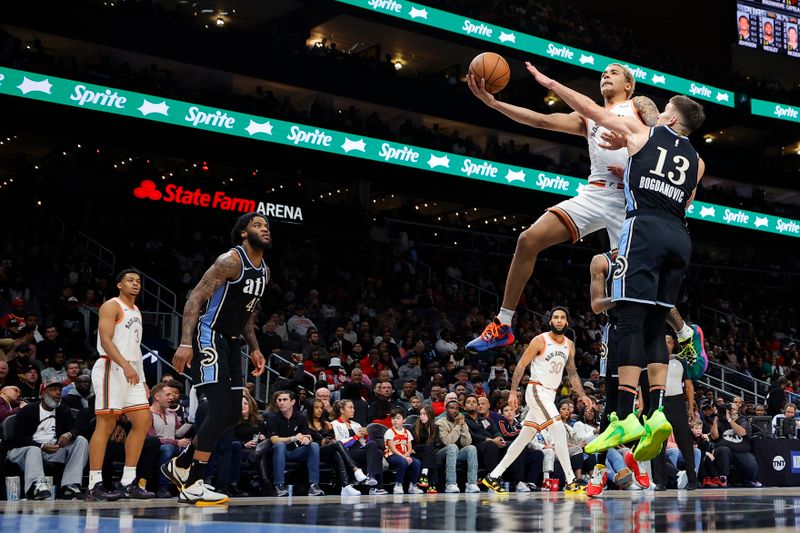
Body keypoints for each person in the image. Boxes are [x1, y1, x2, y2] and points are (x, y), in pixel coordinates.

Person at [529, 63, 707, 462]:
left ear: (671, 118)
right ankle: (657, 410)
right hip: (679, 236)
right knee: (656, 321)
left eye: (663, 112)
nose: (657, 114)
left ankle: (625, 416)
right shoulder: (696, 160)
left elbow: (591, 112)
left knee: (628, 318)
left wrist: (551, 83)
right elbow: (686, 198)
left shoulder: (644, 133)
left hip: (643, 229)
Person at [465, 63, 659, 351]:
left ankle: (680, 332)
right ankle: (503, 323)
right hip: (595, 193)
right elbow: (540, 120)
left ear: (629, 84)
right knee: (528, 240)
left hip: (630, 198)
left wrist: (636, 161)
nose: (606, 75)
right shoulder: (588, 115)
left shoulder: (638, 106)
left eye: (614, 72)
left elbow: (664, 143)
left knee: (639, 276)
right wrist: (493, 103)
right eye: (603, 72)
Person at [167, 213, 269, 505]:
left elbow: (247, 314)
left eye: (267, 226)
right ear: (243, 234)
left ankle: (183, 462)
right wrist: (186, 342)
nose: (265, 229)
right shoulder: (230, 260)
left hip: (234, 341)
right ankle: (193, 481)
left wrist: (256, 347)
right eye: (258, 225)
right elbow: (195, 298)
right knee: (221, 407)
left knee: (235, 413)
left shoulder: (264, 271)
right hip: (208, 334)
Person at [482, 307, 589, 493]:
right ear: (550, 321)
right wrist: (513, 392)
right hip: (536, 389)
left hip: (551, 394)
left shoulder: (569, 345)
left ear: (567, 322)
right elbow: (521, 365)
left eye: (562, 317)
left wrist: (583, 395)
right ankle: (571, 480)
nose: (558, 320)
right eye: (555, 317)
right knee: (558, 428)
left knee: (523, 438)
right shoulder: (540, 340)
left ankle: (493, 477)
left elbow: (572, 373)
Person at [87, 269, 154, 501]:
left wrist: (143, 380)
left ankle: (128, 481)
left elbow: (136, 349)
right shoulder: (111, 306)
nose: (136, 284)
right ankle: (94, 485)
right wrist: (125, 366)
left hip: (132, 371)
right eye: (130, 280)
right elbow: (106, 340)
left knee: (143, 420)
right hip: (111, 368)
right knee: (106, 424)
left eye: (138, 280)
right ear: (119, 285)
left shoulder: (136, 310)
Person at [7, 377, 88, 500]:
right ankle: (36, 487)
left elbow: (77, 427)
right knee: (34, 449)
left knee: (80, 441)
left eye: (60, 390)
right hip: (22, 452)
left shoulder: (63, 410)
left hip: (51, 450)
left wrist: (69, 434)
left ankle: (69, 486)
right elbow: (18, 438)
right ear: (43, 394)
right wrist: (41, 446)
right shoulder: (28, 410)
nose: (58, 393)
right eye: (53, 390)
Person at [652, 334, 696, 490]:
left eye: (668, 342)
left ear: (673, 344)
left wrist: (690, 407)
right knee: (658, 445)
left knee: (685, 443)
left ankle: (692, 479)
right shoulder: (653, 359)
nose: (665, 345)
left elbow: (689, 386)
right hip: (659, 402)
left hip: (677, 403)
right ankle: (660, 482)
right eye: (662, 342)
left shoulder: (680, 361)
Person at [265, 390, 325, 496]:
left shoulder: (300, 418)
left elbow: (308, 435)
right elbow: (274, 440)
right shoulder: (273, 418)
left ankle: (314, 485)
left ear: (292, 402)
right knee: (280, 445)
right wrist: (292, 438)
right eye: (279, 400)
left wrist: (307, 439)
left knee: (314, 445)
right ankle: (279, 485)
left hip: (295, 451)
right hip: (278, 452)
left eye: (284, 400)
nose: (281, 402)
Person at [306, 398, 368, 496]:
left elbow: (332, 437)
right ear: (310, 409)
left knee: (337, 451)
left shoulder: (326, 424)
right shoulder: (305, 424)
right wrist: (320, 442)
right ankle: (355, 470)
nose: (319, 410)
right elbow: (307, 441)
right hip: (313, 451)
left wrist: (329, 440)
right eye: (316, 408)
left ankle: (345, 486)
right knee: (338, 444)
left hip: (328, 451)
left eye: (321, 408)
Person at [331, 399, 387, 494]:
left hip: (360, 450)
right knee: (377, 453)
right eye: (350, 407)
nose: (353, 410)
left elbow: (366, 443)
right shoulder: (334, 424)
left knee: (377, 451)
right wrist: (356, 437)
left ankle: (371, 478)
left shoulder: (356, 424)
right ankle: (375, 486)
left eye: (353, 407)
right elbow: (341, 444)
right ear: (342, 410)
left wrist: (366, 436)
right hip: (347, 452)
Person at [149, 382, 190, 498]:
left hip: (173, 445)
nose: (171, 398)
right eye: (168, 395)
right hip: (155, 448)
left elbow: (178, 432)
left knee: (189, 448)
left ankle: (187, 486)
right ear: (157, 397)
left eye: (172, 395)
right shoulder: (148, 414)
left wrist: (191, 421)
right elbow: (152, 439)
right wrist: (176, 442)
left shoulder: (172, 414)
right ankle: (163, 487)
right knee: (168, 449)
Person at [709, 402, 761, 487]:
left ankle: (750, 479)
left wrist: (730, 420)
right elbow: (714, 437)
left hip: (740, 451)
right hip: (724, 449)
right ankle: (723, 479)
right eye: (729, 409)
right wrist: (715, 421)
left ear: (737, 411)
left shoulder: (743, 421)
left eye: (733, 409)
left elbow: (742, 432)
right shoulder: (721, 422)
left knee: (751, 463)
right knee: (723, 450)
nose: (730, 411)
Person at [436, 400, 481, 493]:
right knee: (452, 447)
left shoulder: (461, 422)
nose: (455, 411)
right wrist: (457, 426)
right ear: (446, 410)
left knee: (472, 448)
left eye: (456, 408)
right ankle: (450, 483)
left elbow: (467, 443)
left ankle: (471, 483)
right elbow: (447, 442)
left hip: (456, 452)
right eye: (451, 408)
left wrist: (463, 426)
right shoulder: (440, 423)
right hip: (441, 453)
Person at [384, 408, 424, 494]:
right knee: (403, 462)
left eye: (398, 418)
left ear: (404, 420)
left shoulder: (407, 432)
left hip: (404, 455)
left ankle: (413, 485)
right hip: (392, 455)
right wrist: (404, 457)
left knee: (417, 462)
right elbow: (393, 449)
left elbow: (409, 447)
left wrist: (408, 454)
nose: (395, 420)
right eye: (393, 418)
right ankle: (398, 484)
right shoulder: (389, 432)